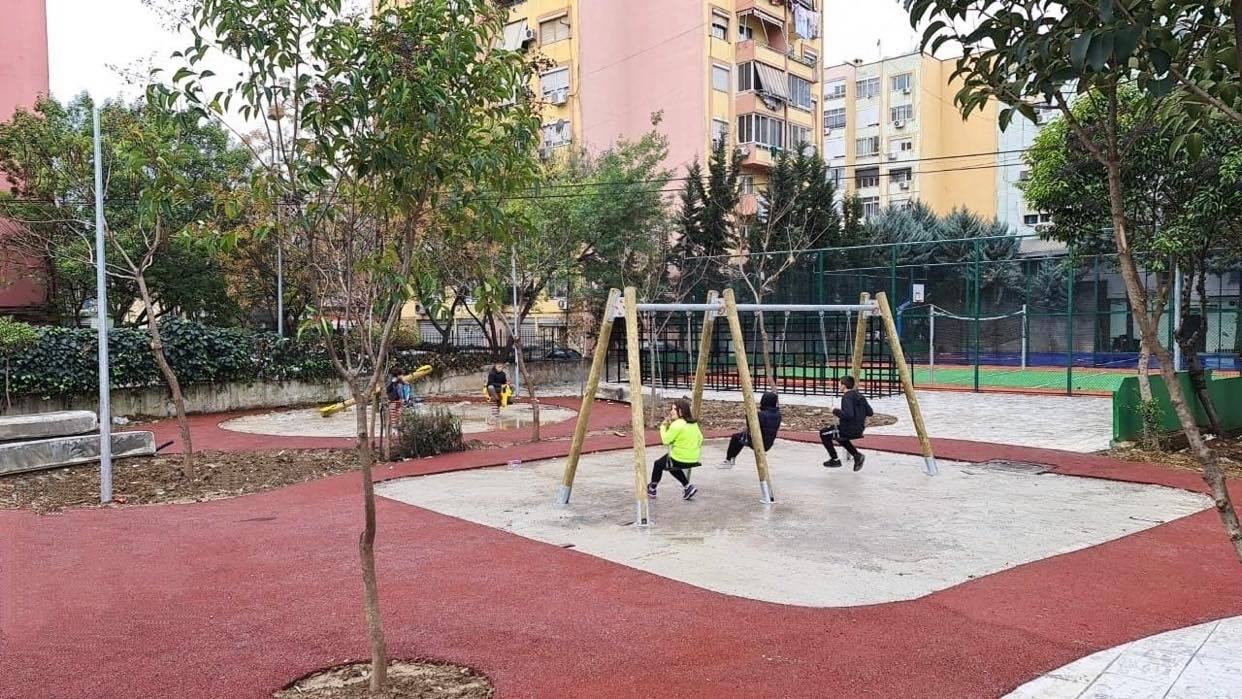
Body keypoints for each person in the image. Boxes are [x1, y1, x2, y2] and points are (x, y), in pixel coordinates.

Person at [648, 398, 703, 501]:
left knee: (658, 464)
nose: (671, 411)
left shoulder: (677, 424)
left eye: (675, 409)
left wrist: (663, 426)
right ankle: (687, 487)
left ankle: (652, 488)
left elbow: (666, 440)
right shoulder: (693, 423)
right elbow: (700, 439)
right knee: (672, 466)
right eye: (671, 409)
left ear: (681, 411)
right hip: (694, 458)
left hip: (680, 457)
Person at [819, 375, 872, 471]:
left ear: (843, 386)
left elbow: (848, 415)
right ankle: (857, 455)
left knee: (823, 433)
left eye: (839, 384)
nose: (838, 386)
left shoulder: (846, 397)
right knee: (838, 436)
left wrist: (835, 410)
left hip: (848, 430)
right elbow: (870, 412)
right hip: (859, 429)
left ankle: (835, 459)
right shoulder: (860, 396)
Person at [719, 391, 781, 469]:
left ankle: (729, 460)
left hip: (759, 442)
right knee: (740, 437)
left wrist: (749, 415)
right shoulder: (778, 414)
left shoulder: (761, 415)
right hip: (769, 442)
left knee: (736, 438)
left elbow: (751, 427)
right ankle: (731, 458)